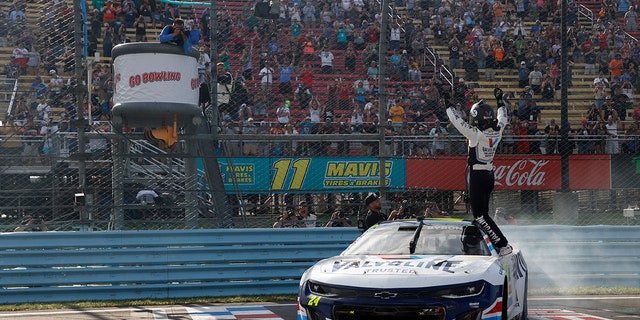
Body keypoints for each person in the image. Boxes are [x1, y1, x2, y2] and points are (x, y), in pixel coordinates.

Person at [446, 88, 513, 256]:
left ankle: (503, 245)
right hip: (489, 174)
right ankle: (487, 245)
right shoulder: (498, 130)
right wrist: (499, 101)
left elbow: (456, 121)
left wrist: (448, 105)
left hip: (477, 176)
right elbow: (503, 116)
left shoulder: (476, 134)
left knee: (480, 215)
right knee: (482, 215)